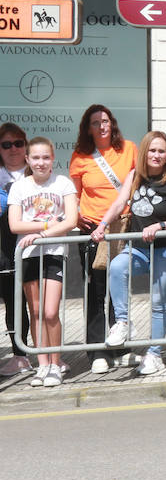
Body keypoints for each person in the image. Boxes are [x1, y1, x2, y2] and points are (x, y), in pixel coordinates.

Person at [95, 131, 166, 376]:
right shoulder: (135, 176)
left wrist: (160, 226)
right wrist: (102, 225)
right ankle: (123, 323)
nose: (157, 155)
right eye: (152, 150)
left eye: (162, 151)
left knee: (159, 302)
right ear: (144, 152)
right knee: (117, 267)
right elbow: (119, 203)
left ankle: (154, 354)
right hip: (138, 248)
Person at [69, 103, 137, 364]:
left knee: (119, 287)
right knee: (96, 291)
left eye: (105, 121)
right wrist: (76, 215)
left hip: (122, 227)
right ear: (88, 128)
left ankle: (119, 346)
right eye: (95, 122)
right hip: (92, 230)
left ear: (113, 123)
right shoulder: (80, 156)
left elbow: (139, 182)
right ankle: (97, 350)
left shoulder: (129, 149)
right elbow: (74, 194)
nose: (102, 126)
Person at [8, 137, 78, 387]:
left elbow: (71, 220)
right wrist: (48, 225)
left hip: (54, 252)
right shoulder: (19, 187)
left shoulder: (63, 183)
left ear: (53, 159)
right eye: (35, 158)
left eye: (45, 157)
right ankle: (43, 365)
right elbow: (15, 225)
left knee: (50, 313)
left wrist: (43, 235)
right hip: (27, 254)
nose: (40, 162)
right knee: (35, 312)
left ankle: (56, 365)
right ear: (27, 159)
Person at [0, 123, 32, 377]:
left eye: (18, 143)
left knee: (16, 303)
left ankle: (20, 355)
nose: (13, 149)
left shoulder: (36, 173)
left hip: (24, 247)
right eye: (6, 144)